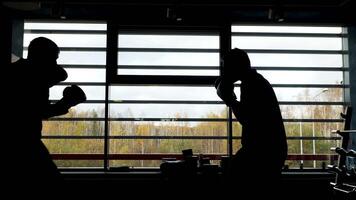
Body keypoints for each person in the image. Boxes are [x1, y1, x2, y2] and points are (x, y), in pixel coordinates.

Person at [5, 37, 86, 187]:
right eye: (53, 59)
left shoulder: (23, 73)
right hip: (23, 142)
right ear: (42, 58)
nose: (55, 63)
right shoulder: (31, 77)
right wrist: (66, 103)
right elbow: (38, 111)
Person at [215, 48, 287, 190]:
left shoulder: (252, 84)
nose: (223, 72)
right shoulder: (254, 81)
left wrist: (230, 100)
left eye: (225, 67)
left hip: (263, 152)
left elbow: (248, 119)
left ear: (235, 66)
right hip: (269, 151)